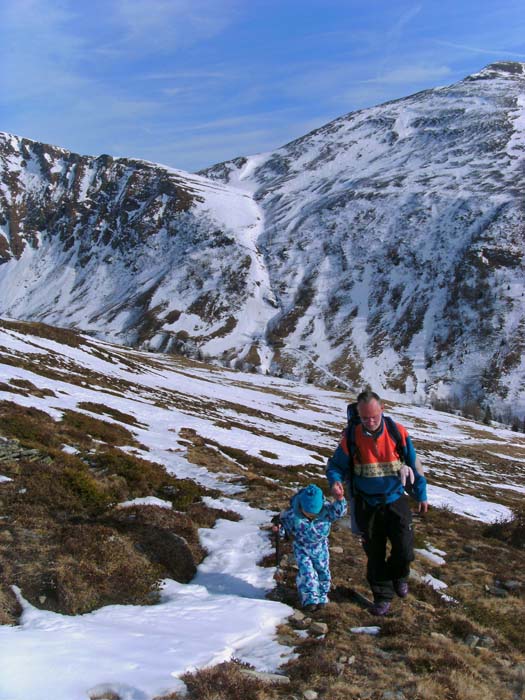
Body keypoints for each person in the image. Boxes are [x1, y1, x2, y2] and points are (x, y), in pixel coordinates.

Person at [326, 390, 428, 616]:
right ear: (358, 416)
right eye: (364, 418)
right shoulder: (351, 437)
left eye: (374, 416)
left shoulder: (397, 432)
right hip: (366, 504)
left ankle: (399, 576)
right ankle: (382, 596)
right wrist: (334, 482)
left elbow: (413, 462)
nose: (370, 422)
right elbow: (335, 466)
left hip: (395, 499)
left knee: (404, 547)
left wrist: (421, 494)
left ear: (382, 409)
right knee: (374, 553)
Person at [274, 483, 346, 612]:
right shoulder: (292, 514)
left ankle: (322, 596)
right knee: (307, 573)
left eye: (314, 514)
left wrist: (340, 498)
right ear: (301, 506)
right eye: (307, 513)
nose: (311, 516)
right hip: (301, 548)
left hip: (320, 547)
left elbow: (339, 512)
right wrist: (278, 529)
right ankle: (310, 599)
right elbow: (284, 528)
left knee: (322, 571)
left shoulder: (326, 510)